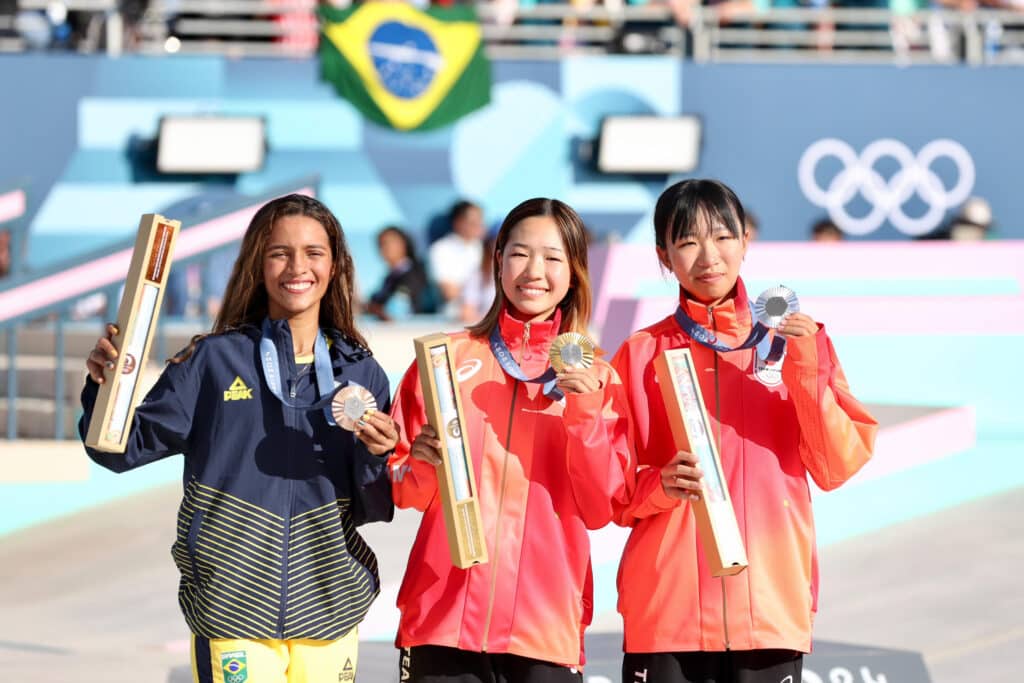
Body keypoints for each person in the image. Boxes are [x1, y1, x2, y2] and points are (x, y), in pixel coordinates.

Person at [79, 194, 400, 683]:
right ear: (258, 263)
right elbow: (121, 450)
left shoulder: (360, 372)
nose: (298, 266)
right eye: (280, 252)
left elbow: (371, 508)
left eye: (314, 253)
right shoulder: (213, 361)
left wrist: (377, 456)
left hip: (330, 609)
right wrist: (105, 390)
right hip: (232, 609)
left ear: (334, 266)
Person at [612, 179, 877, 683]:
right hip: (667, 611)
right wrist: (658, 486)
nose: (708, 255)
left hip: (769, 604)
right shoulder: (640, 354)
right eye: (687, 241)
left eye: (722, 236)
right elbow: (610, 493)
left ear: (745, 240)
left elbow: (835, 465)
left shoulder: (797, 341)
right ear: (663, 256)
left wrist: (804, 368)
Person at [389, 197, 632, 682]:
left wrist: (583, 411)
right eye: (520, 253)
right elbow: (401, 489)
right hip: (442, 619)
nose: (534, 271)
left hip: (543, 627)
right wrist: (418, 463)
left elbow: (602, 506)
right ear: (497, 260)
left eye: (553, 257)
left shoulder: (598, 377)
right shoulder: (444, 361)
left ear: (574, 271)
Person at [428, 200, 485, 317]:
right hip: (454, 314)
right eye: (473, 222)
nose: (479, 226)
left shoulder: (485, 248)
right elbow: (448, 292)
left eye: (480, 221)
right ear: (457, 222)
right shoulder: (440, 249)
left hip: (487, 312)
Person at [366, 225, 436, 321]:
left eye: (391, 242)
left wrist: (371, 308)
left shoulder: (414, 273)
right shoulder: (391, 276)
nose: (386, 248)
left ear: (404, 243)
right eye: (381, 244)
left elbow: (394, 313)